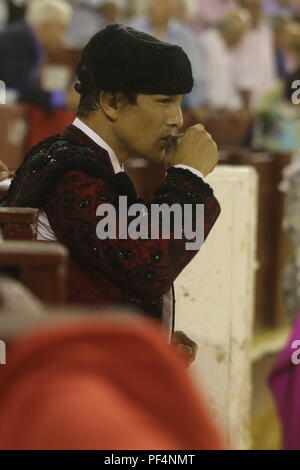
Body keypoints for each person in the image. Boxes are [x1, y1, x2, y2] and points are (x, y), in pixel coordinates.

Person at [2, 24, 221, 346]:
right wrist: (189, 176)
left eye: (179, 103)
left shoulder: (64, 157)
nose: (177, 119)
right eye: (164, 101)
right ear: (112, 103)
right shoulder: (73, 175)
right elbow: (148, 267)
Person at [129, 0, 206, 113]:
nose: (153, 6)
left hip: (174, 103)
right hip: (137, 99)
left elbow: (196, 74)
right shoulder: (133, 28)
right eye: (153, 3)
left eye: (160, 3)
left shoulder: (184, 36)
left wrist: (195, 106)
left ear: (171, 10)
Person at [0, 0, 72, 110]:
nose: (63, 38)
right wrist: (62, 98)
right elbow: (19, 88)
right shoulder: (18, 40)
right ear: (45, 26)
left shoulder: (26, 38)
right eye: (62, 29)